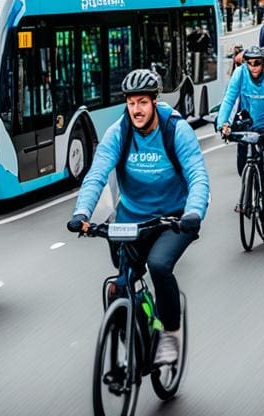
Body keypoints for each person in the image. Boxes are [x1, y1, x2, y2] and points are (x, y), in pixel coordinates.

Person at [68, 70, 209, 368]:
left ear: (155, 102)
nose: (136, 110)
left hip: (173, 219)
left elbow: (197, 175)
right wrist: (81, 213)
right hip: (131, 218)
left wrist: (194, 213)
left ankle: (170, 333)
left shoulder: (176, 130)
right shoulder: (119, 131)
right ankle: (131, 337)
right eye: (131, 103)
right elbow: (97, 173)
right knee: (119, 285)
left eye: (142, 102)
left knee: (158, 265)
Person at [216, 45, 264, 229]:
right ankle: (257, 192)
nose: (253, 67)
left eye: (257, 63)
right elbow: (229, 99)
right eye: (250, 63)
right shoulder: (240, 74)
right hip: (249, 126)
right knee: (244, 166)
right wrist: (222, 123)